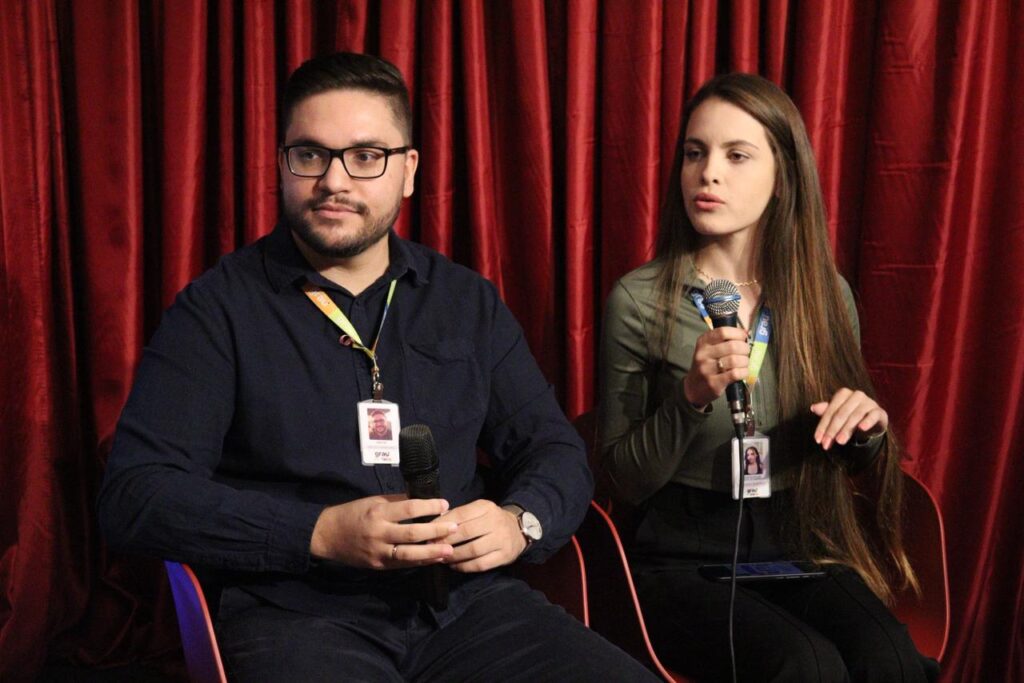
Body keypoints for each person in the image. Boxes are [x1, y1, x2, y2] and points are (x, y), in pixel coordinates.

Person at [99, 52, 655, 682]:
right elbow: (136, 495)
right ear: (281, 163)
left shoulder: (466, 301)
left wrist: (519, 522)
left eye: (366, 156)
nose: (335, 181)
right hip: (296, 616)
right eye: (310, 154)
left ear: (409, 170)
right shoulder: (216, 310)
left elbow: (553, 449)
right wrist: (317, 533)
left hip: (471, 609)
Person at [599, 73, 939, 682]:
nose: (709, 174)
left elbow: (851, 456)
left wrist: (865, 429)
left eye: (736, 156)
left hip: (797, 541)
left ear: (783, 176)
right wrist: (690, 398)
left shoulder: (825, 295)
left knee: (890, 658)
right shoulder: (639, 297)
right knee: (805, 665)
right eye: (695, 153)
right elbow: (623, 478)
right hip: (680, 555)